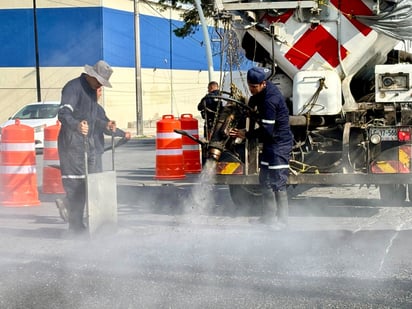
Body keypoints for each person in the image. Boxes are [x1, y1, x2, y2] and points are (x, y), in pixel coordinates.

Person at [55, 60, 115, 233]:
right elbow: (63, 113)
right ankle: (75, 227)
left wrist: (106, 125)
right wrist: (76, 125)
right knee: (75, 186)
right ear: (91, 75)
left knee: (90, 185)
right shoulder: (72, 88)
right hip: (71, 144)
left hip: (88, 144)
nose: (99, 86)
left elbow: (93, 118)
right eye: (99, 82)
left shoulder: (91, 92)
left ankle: (89, 223)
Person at [229, 67, 293, 228]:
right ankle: (268, 218)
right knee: (264, 179)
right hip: (270, 143)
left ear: (263, 83)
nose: (252, 89)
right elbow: (254, 100)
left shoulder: (270, 101)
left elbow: (266, 130)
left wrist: (246, 134)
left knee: (278, 182)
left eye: (254, 87)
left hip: (279, 143)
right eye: (250, 86)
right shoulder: (263, 91)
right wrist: (250, 107)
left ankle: (283, 222)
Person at [94, 87, 131, 172]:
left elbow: (107, 126)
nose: (100, 94)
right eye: (99, 91)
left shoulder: (95, 108)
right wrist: (123, 134)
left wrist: (122, 133)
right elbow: (106, 127)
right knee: (94, 176)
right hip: (93, 149)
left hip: (85, 149)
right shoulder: (94, 108)